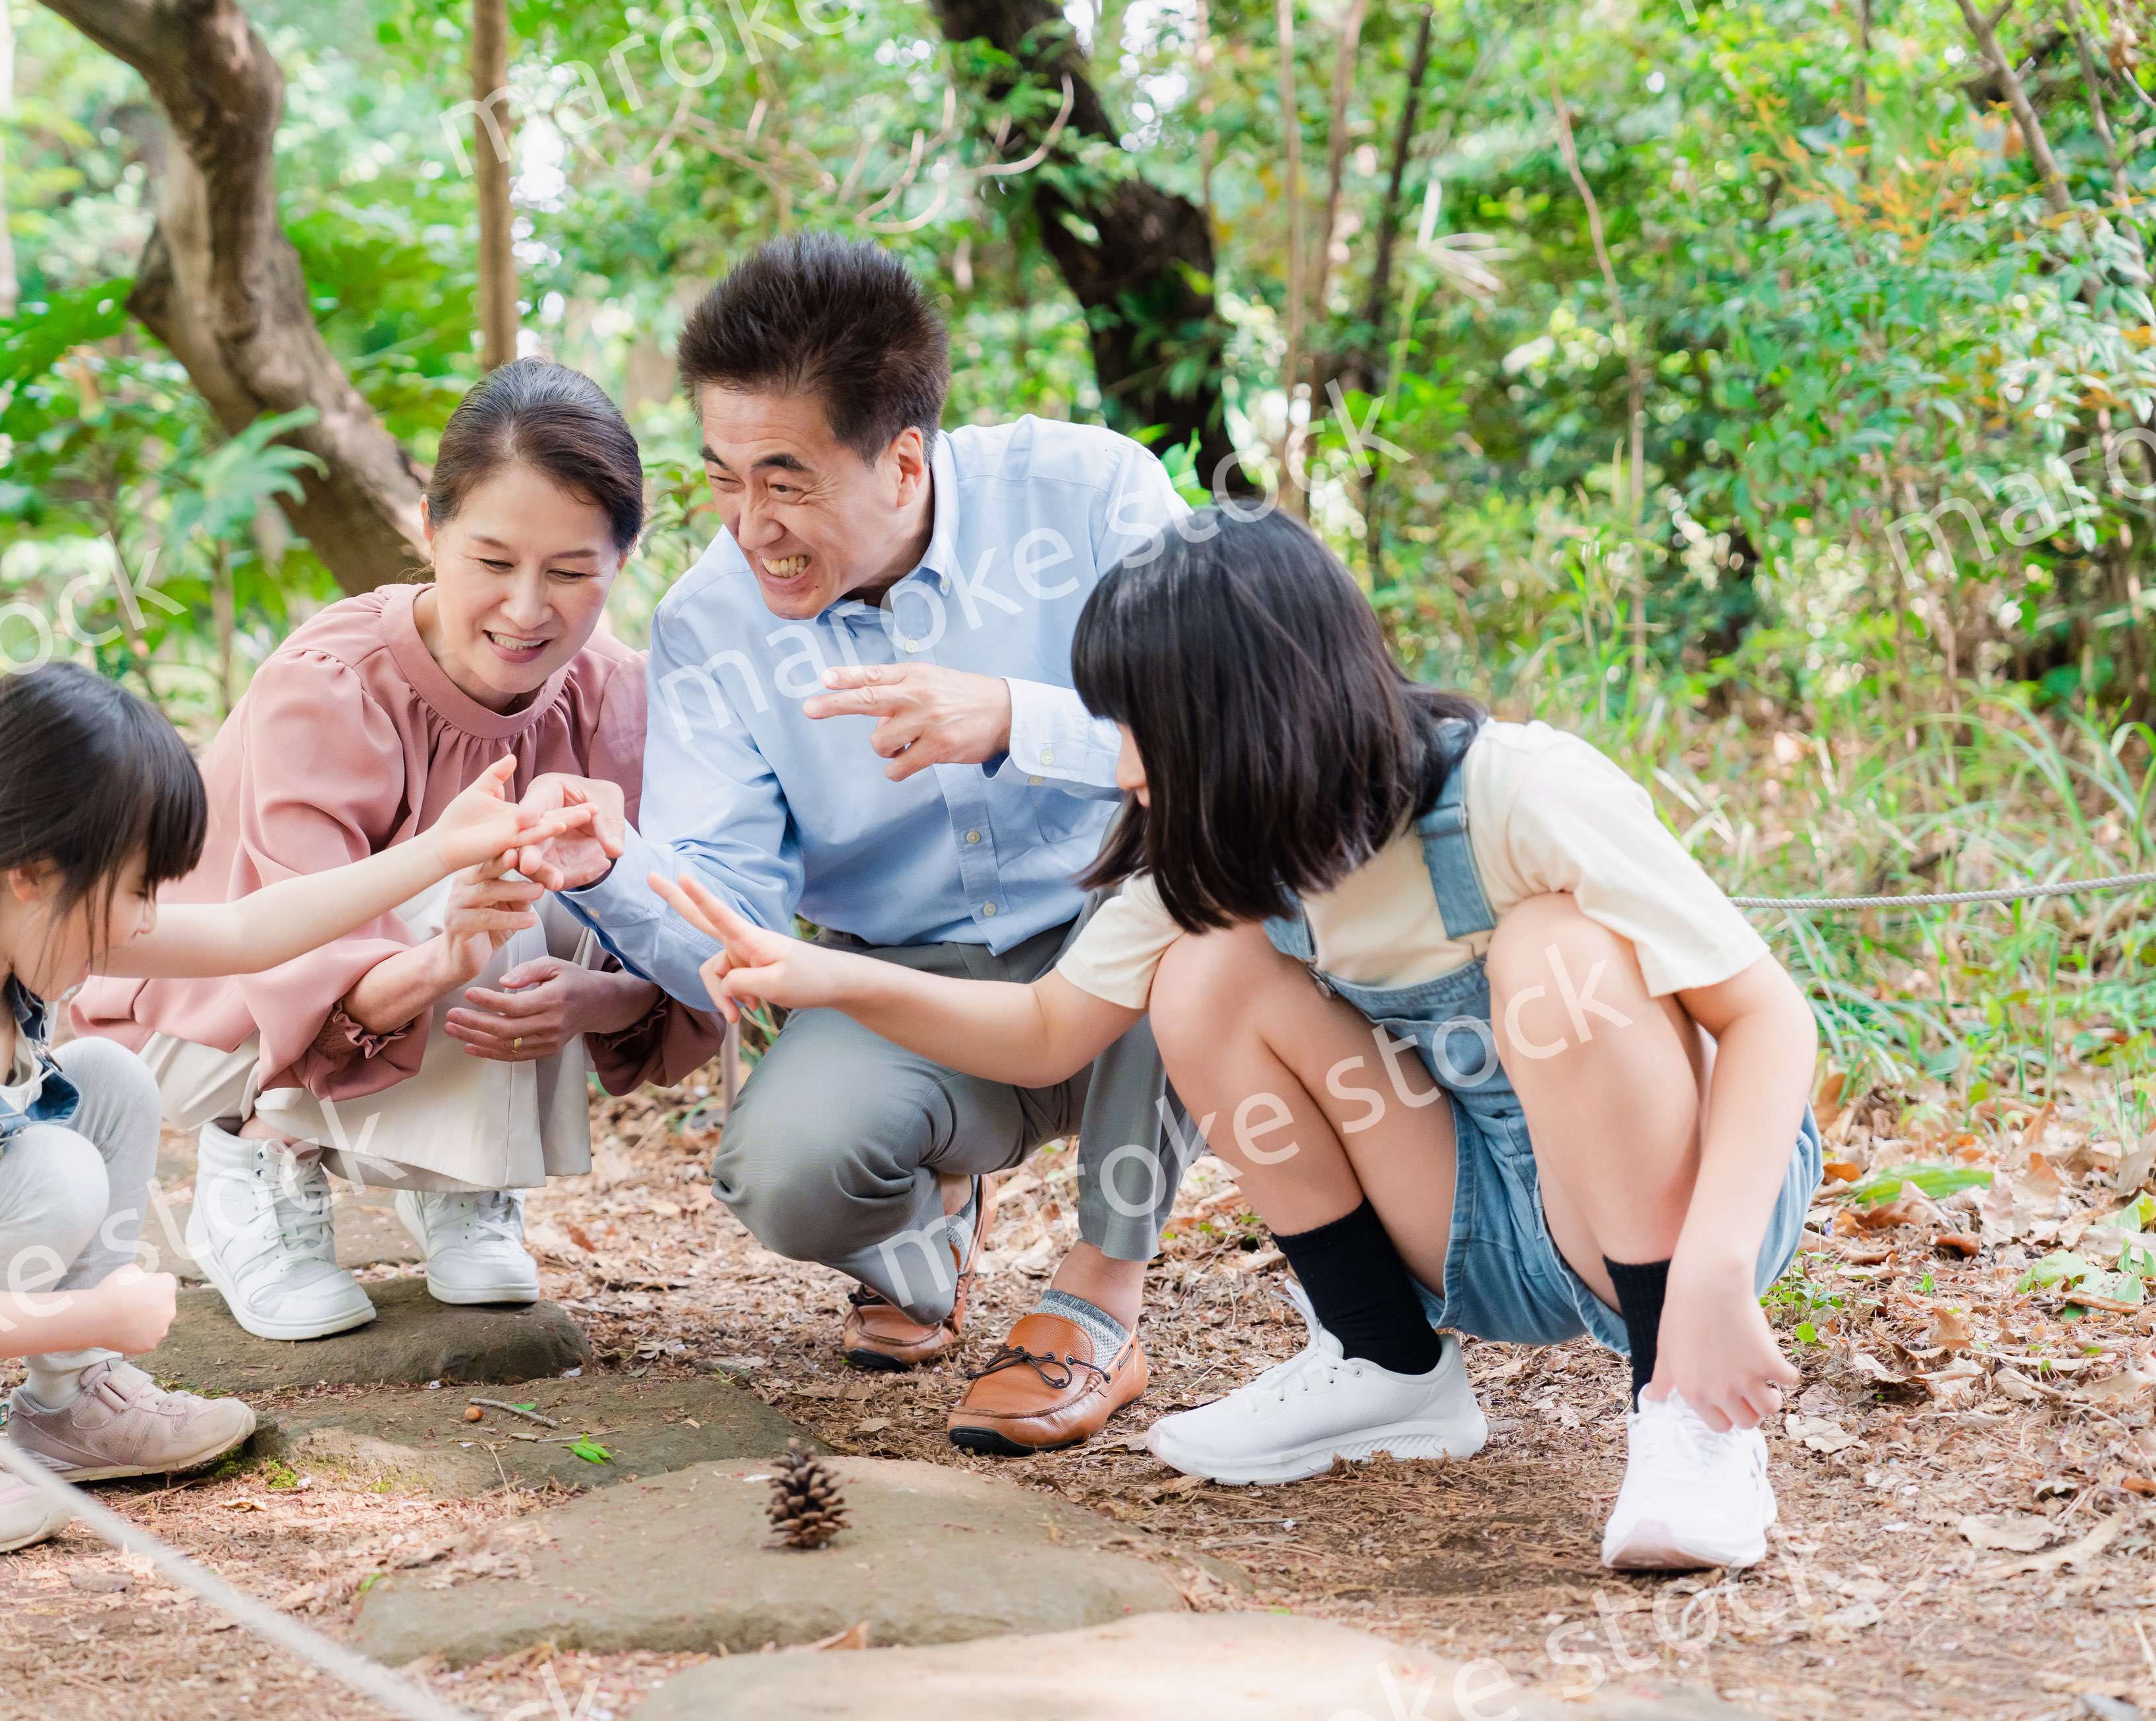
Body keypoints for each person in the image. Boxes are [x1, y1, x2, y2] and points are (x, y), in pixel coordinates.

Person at [648, 501, 1825, 1572]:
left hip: (1694, 1214)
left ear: (1246, 722)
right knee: (1207, 974)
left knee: (1555, 954)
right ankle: (1386, 1364)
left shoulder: (1519, 792)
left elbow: (1767, 1018)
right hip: (1486, 1228)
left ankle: (1689, 1414)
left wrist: (1716, 1270)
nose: (1121, 765)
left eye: (1138, 728)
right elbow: (1047, 1031)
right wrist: (829, 976)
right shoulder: (1217, 861)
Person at [0, 662, 590, 1554]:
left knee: (109, 1077)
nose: (146, 920)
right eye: (137, 889)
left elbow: (245, 933)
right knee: (54, 1171)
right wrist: (96, 1317)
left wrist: (442, 850)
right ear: (33, 869)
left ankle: (70, 1408)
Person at [517, 235, 1190, 1453]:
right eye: (723, 481)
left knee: (1202, 875)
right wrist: (615, 871)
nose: (751, 527)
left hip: (1130, 941)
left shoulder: (1090, 496)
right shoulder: (712, 624)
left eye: (787, 482)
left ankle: (1101, 1296)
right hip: (905, 983)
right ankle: (931, 1219)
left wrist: (1017, 717)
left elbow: (1241, 730)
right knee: (788, 1174)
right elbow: (730, 918)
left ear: (904, 459)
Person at [73, 359, 719, 1340]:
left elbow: (682, 942)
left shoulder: (614, 693)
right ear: (429, 529)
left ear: (623, 560)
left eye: (570, 572)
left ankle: (460, 1180)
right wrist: (446, 958)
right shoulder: (331, 686)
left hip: (415, 1000)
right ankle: (256, 1163)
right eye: (491, 562)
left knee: (575, 863)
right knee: (492, 878)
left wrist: (599, 998)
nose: (527, 609)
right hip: (219, 1019)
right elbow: (287, 955)